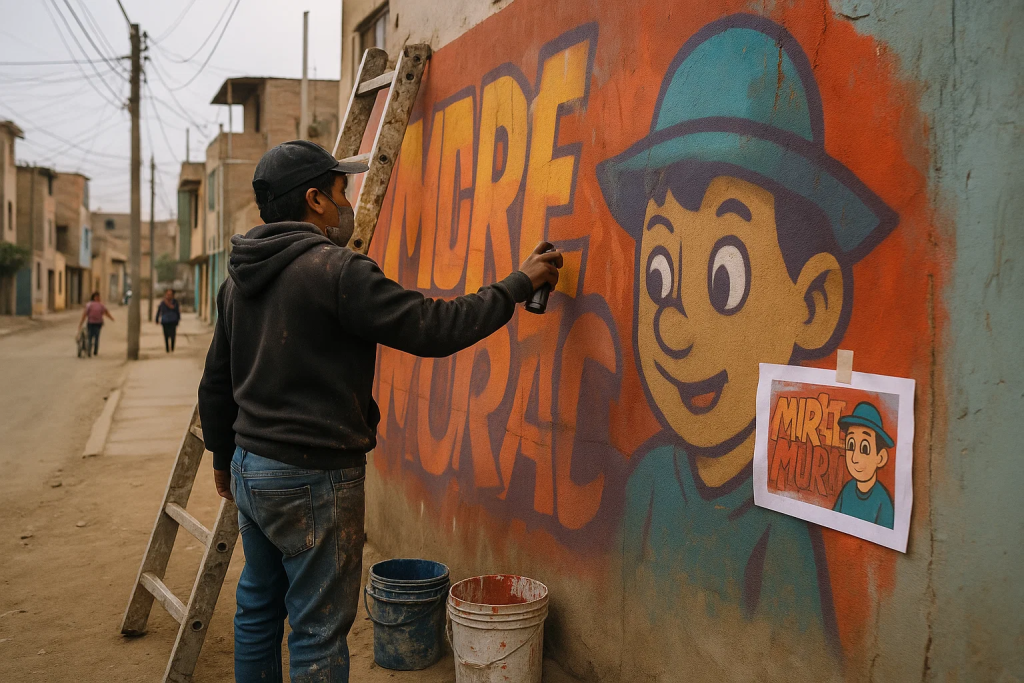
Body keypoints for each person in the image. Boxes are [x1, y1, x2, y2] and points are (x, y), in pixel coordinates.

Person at [197, 139, 562, 682]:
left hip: (253, 469)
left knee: (257, 606)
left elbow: (216, 383)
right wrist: (518, 283)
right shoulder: (337, 271)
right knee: (318, 628)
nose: (349, 204)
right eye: (343, 191)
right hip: (313, 476)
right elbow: (436, 328)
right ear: (316, 199)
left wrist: (226, 462)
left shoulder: (238, 278)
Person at [596, 15, 899, 649]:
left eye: (724, 279)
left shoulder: (779, 522)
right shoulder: (648, 480)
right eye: (658, 276)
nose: (673, 326)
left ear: (813, 301)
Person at [833, 402, 896, 528]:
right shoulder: (847, 490)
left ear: (880, 457)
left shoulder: (883, 502)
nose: (854, 458)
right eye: (850, 446)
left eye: (865, 448)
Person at [79, 291, 114, 356]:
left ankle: (93, 350)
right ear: (94, 298)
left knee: (93, 337)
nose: (98, 298)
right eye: (97, 297)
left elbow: (106, 313)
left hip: (95, 323)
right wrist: (112, 318)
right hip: (93, 323)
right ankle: (92, 351)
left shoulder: (93, 305)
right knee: (93, 337)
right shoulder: (97, 305)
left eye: (98, 297)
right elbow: (85, 314)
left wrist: (111, 318)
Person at [155, 288, 181, 353]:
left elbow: (178, 311)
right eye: (167, 294)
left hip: (173, 321)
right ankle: (167, 348)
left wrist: (178, 319)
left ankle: (172, 348)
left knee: (173, 335)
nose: (169, 296)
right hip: (165, 321)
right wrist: (157, 319)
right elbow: (159, 311)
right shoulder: (163, 303)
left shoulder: (175, 302)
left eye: (170, 294)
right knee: (166, 335)